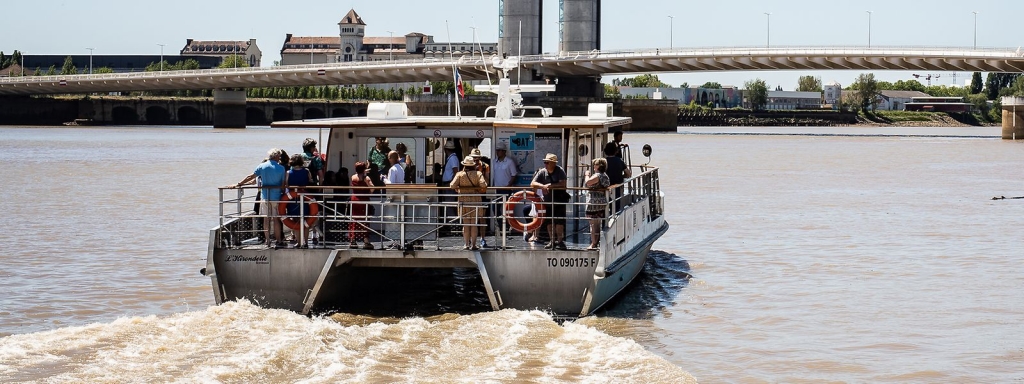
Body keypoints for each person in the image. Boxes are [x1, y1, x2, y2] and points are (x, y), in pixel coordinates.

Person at [234, 148, 286, 248]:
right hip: (276, 197)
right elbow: (283, 185)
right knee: (276, 219)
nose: (279, 158)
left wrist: (239, 183)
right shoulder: (281, 168)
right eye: (279, 156)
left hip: (265, 196)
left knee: (266, 219)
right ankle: (279, 240)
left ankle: (267, 241)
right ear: (276, 157)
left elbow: (251, 176)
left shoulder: (262, 166)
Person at [531, 153, 569, 250]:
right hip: (547, 201)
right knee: (549, 222)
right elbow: (533, 183)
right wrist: (542, 186)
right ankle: (552, 241)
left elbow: (563, 184)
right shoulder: (542, 172)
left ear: (553, 163)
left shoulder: (560, 171)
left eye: (547, 162)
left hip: (559, 201)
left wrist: (550, 185)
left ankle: (560, 241)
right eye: (545, 162)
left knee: (559, 222)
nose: (545, 164)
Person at [450, 155, 488, 250]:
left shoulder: (459, 174)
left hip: (463, 200)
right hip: (475, 200)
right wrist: (477, 188)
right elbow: (484, 185)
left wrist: (459, 188)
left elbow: (452, 185)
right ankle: (474, 245)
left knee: (466, 224)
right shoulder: (478, 174)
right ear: (473, 165)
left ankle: (466, 244)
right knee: (474, 224)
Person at [284, 154, 313, 247]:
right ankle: (306, 242)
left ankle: (299, 242)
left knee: (295, 221)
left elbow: (286, 185)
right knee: (306, 220)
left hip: (293, 200)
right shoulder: (307, 171)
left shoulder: (288, 172)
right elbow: (311, 181)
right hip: (304, 198)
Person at [583, 158, 610, 251]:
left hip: (594, 203)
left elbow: (588, 182)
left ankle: (593, 243)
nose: (593, 166)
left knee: (593, 224)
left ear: (599, 166)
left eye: (595, 164)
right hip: (601, 202)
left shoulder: (598, 175)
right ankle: (596, 242)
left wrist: (586, 175)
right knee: (597, 224)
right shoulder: (605, 175)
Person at [348, 162, 376, 249]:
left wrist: (364, 170)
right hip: (364, 200)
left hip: (354, 200)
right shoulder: (366, 178)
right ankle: (366, 241)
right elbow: (372, 188)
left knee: (354, 220)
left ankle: (353, 240)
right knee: (365, 220)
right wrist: (369, 192)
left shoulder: (353, 177)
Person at [604, 142, 632, 212]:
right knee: (616, 206)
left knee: (607, 204)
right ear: (616, 151)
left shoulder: (603, 161)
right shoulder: (619, 161)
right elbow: (628, 174)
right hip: (617, 187)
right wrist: (622, 176)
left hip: (605, 187)